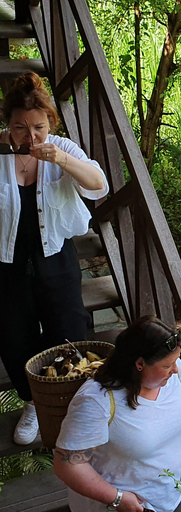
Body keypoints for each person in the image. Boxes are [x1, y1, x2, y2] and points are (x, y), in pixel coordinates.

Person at [0, 72, 109, 445]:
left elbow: (99, 184)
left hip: (55, 256)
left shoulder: (61, 147)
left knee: (69, 329)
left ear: (50, 123)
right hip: (6, 262)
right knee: (14, 336)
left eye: (39, 128)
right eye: (20, 128)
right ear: (8, 124)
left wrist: (61, 158)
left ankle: (71, 401)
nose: (30, 138)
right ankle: (32, 403)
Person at [53, 317, 181, 512]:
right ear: (140, 364)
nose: (175, 369)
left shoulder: (173, 369)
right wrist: (117, 498)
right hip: (123, 506)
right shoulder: (96, 400)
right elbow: (66, 465)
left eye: (176, 361)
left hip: (171, 497)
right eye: (167, 366)